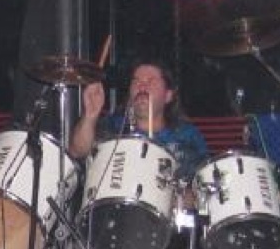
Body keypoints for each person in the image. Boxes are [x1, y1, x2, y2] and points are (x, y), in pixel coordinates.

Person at [70, 55, 209, 181]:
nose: (142, 86)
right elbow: (77, 151)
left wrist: (190, 196)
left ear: (168, 95)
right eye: (136, 81)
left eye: (151, 81)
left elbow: (203, 184)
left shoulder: (186, 136)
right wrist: (90, 115)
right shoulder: (112, 126)